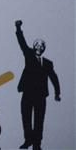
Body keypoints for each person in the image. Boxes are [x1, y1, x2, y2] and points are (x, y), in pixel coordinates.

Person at [14, 20, 61, 150]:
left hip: (40, 96)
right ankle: (28, 141)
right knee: (26, 118)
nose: (39, 48)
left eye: (42, 46)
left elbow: (54, 78)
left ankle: (37, 144)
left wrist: (57, 93)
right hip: (27, 93)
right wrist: (18, 28)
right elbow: (22, 43)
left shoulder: (48, 63)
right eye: (37, 46)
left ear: (44, 49)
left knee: (39, 121)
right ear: (34, 47)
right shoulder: (28, 55)